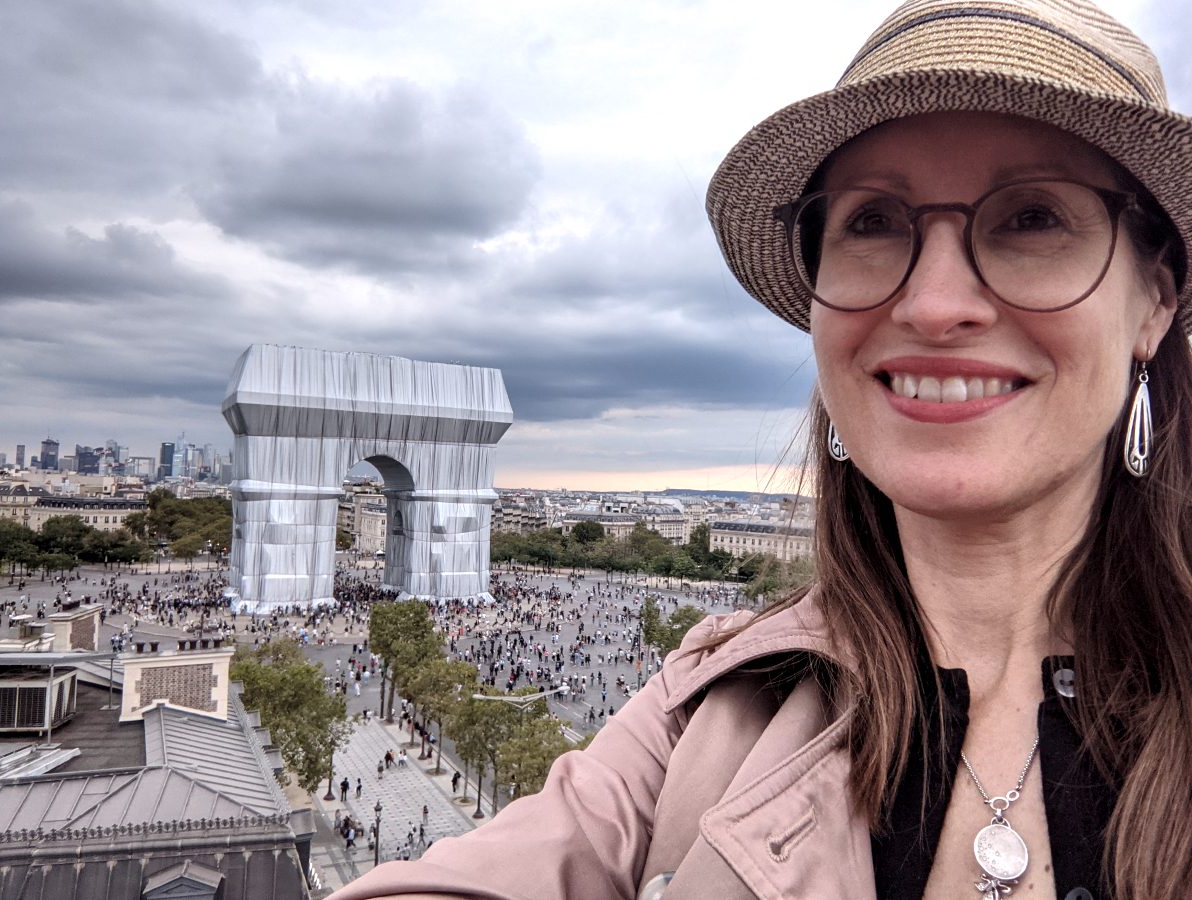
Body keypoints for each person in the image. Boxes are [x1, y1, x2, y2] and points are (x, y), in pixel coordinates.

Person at [328, 2, 1192, 899]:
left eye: (1033, 217)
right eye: (874, 221)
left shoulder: (723, 715)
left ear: (1156, 302)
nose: (935, 305)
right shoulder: (703, 700)